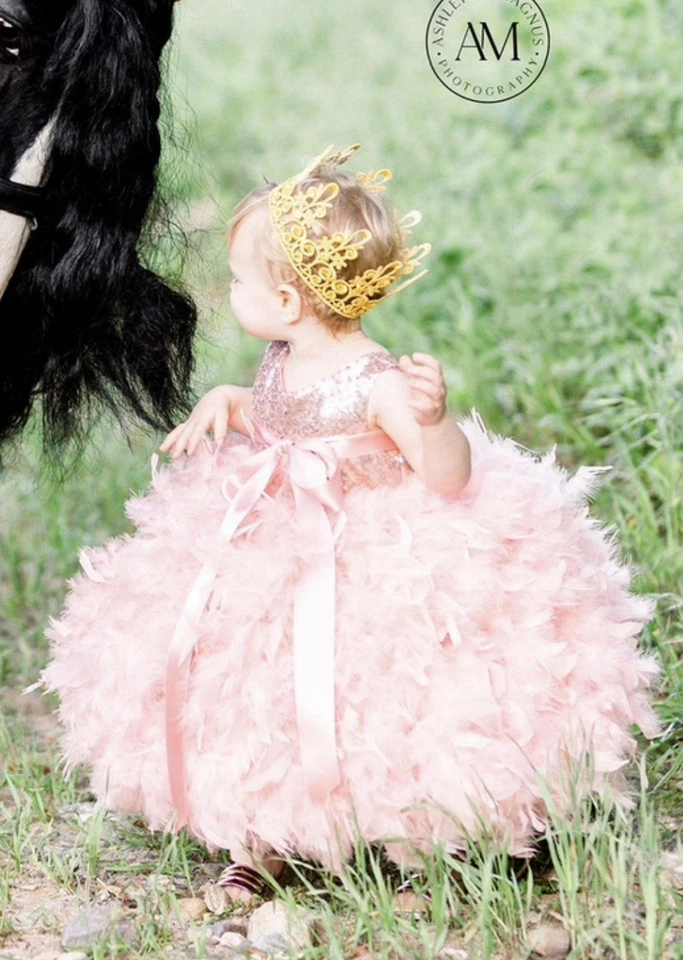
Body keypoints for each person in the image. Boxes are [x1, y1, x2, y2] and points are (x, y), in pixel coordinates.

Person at [39, 144, 662, 906]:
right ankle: (259, 832)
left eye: (239, 280)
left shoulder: (379, 381)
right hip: (274, 535)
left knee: (363, 688)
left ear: (290, 300)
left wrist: (431, 420)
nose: (231, 291)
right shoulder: (280, 353)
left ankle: (398, 829)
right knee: (246, 680)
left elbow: (446, 474)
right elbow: (281, 406)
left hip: (365, 546)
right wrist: (230, 400)